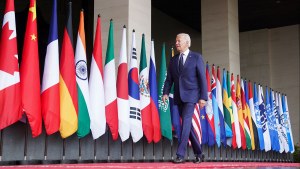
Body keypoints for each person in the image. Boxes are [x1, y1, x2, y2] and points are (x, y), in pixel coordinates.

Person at [163, 33, 208, 164]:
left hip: (192, 96)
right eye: (176, 40)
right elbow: (169, 79)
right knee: (188, 127)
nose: (176, 43)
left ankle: (180, 154)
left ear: (187, 43)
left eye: (179, 41)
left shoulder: (196, 57)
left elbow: (202, 79)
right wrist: (165, 93)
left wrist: (203, 97)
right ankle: (199, 153)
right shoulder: (173, 60)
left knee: (185, 123)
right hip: (179, 96)